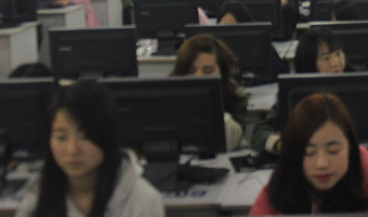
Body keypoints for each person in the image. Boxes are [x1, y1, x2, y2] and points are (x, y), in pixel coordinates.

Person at [15, 81, 164, 217]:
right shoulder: (37, 198)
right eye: (61, 137)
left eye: (85, 137)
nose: (72, 150)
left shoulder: (143, 200)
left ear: (106, 136)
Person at [249, 93, 368, 215]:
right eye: (309, 152)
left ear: (350, 148)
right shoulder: (277, 192)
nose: (322, 164)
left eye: (333, 151)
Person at [251, 28, 356, 154]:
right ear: (310, 63)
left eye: (338, 54)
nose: (335, 63)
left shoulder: (359, 84)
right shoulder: (295, 92)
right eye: (326, 58)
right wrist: (281, 145)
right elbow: (259, 133)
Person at [171, 35, 248, 151]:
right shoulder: (168, 96)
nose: (198, 76)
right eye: (191, 70)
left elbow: (229, 142)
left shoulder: (234, 96)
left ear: (222, 71)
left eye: (208, 70)